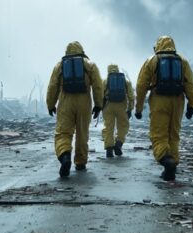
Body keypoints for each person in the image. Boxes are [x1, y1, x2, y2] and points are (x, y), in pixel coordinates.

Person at [134, 36, 193, 181]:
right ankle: (172, 168)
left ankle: (166, 160)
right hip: (178, 101)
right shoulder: (182, 61)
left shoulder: (152, 60)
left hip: (159, 101)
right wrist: (192, 105)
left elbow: (141, 86)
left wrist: (138, 108)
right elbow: (190, 84)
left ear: (157, 46)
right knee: (173, 135)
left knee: (159, 135)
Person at [46, 41, 103, 177]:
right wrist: (98, 105)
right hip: (84, 102)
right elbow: (98, 86)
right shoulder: (89, 65)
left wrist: (50, 104)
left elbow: (52, 86)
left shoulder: (59, 66)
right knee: (82, 134)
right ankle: (80, 162)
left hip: (65, 102)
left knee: (63, 133)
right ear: (82, 51)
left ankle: (65, 156)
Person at [102, 64, 134, 158]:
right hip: (121, 106)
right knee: (123, 126)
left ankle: (109, 150)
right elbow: (131, 96)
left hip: (108, 107)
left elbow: (100, 95)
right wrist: (130, 109)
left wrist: (100, 107)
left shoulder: (105, 81)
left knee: (108, 127)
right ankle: (118, 143)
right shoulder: (125, 81)